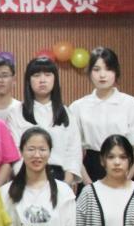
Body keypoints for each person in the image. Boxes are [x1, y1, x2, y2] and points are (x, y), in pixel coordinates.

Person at [70, 47, 134, 182]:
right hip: (91, 169)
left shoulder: (132, 105)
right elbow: (73, 150)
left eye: (108, 69)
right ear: (89, 72)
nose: (102, 75)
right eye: (96, 69)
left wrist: (125, 179)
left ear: (116, 72)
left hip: (124, 169)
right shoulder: (77, 107)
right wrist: (88, 184)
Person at [6, 57, 82, 187]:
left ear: (55, 79)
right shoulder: (16, 113)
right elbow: (16, 152)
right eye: (36, 75)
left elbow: (74, 152)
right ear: (28, 80)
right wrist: (28, 181)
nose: (42, 80)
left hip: (60, 179)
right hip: (26, 178)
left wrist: (65, 185)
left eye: (47, 75)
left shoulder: (66, 113)